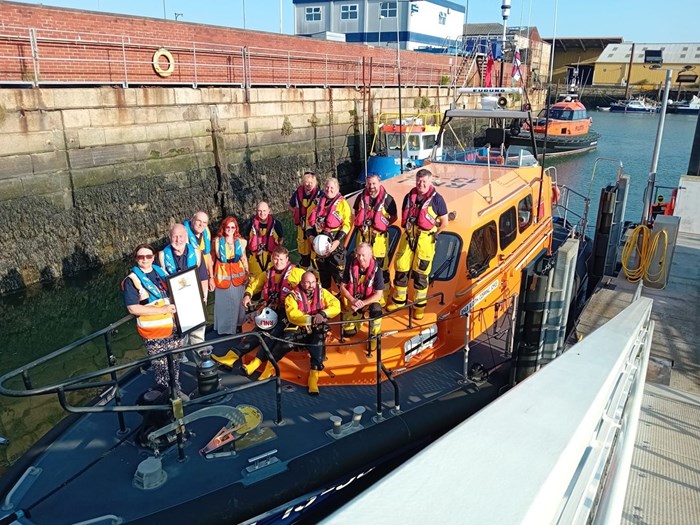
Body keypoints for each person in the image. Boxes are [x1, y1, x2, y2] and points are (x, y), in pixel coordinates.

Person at [213, 246, 305, 375]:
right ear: (272, 259)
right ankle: (231, 357)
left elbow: (310, 286)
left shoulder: (298, 273)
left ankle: (255, 363)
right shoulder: (268, 273)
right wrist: (247, 295)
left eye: (281, 259)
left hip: (289, 312)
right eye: (276, 259)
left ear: (287, 259)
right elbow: (254, 284)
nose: (278, 262)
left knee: (272, 333)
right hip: (272, 310)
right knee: (257, 332)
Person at [122, 243, 186, 398]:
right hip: (155, 333)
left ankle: (176, 390)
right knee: (161, 367)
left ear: (153, 257)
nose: (145, 259)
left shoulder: (160, 272)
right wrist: (161, 310)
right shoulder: (132, 280)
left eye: (148, 256)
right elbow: (133, 308)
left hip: (173, 328)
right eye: (141, 257)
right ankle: (166, 398)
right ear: (135, 259)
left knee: (175, 362)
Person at [388, 168, 449, 320]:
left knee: (421, 275)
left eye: (424, 181)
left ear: (430, 181)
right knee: (401, 268)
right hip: (408, 236)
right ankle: (399, 301)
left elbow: (444, 222)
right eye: (419, 181)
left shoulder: (437, 200)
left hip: (425, 240)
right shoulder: (409, 197)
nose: (421, 184)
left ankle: (419, 307)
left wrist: (433, 234)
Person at [280, 271, 340, 395]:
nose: (311, 285)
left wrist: (323, 314)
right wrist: (311, 319)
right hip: (300, 328)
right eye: (307, 282)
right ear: (301, 283)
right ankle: (269, 366)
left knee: (318, 340)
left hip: (315, 328)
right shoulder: (292, 296)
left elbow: (336, 305)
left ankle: (314, 376)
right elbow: (293, 316)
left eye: (313, 282)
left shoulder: (322, 292)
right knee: (284, 343)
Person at [159, 223, 210, 351]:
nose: (178, 240)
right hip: (175, 302)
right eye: (175, 236)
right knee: (178, 337)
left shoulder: (196, 253)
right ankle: (180, 359)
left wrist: (204, 298)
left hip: (194, 299)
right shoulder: (162, 256)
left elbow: (203, 276)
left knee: (198, 334)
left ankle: (200, 358)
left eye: (181, 236)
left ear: (186, 236)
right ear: (169, 237)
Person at [352, 173, 397, 302]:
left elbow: (393, 218)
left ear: (379, 183)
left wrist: (380, 226)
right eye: (369, 184)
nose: (371, 186)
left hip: (379, 241)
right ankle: (364, 294)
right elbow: (357, 213)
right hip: (363, 238)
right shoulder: (360, 198)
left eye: (374, 183)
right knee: (361, 267)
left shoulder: (388, 200)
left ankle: (382, 297)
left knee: (381, 270)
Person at [307, 177, 352, 290]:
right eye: (327, 187)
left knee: (340, 275)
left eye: (332, 187)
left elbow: (347, 224)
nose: (329, 189)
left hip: (335, 245)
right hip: (318, 245)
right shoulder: (316, 202)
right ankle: (326, 296)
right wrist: (311, 238)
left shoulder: (342, 204)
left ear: (337, 189)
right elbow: (308, 222)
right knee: (323, 274)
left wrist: (337, 242)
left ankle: (344, 300)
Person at [339, 243, 384, 350]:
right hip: (355, 301)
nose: (360, 258)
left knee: (376, 310)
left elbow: (378, 294)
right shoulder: (351, 266)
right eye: (358, 255)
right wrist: (353, 300)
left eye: (363, 255)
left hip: (369, 301)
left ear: (370, 255)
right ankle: (360, 318)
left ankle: (374, 337)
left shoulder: (377, 271)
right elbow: (343, 287)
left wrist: (363, 303)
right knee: (347, 332)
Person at [211, 216, 248, 335]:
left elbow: (244, 258)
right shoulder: (216, 242)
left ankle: (238, 326)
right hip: (222, 279)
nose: (230, 229)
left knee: (238, 303)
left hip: (238, 278)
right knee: (223, 305)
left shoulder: (241, 242)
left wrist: (247, 273)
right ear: (224, 227)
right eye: (228, 227)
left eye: (233, 227)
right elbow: (211, 259)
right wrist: (210, 277)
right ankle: (225, 330)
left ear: (236, 228)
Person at [242, 201, 284, 278]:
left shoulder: (276, 224)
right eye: (259, 211)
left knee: (271, 280)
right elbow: (246, 238)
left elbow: (281, 238)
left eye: (264, 211)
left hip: (271, 258)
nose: (262, 213)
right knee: (253, 282)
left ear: (269, 211)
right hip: (255, 258)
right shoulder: (250, 224)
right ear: (256, 211)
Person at [289, 171, 320, 268]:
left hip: (313, 227)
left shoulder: (320, 195)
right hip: (302, 227)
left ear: (315, 183)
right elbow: (290, 205)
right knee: (303, 250)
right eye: (306, 182)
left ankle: (315, 270)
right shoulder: (298, 193)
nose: (309, 185)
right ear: (303, 183)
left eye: (311, 182)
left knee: (315, 249)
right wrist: (296, 212)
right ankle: (304, 267)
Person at [183, 211, 214, 293]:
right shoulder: (183, 234)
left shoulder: (206, 233)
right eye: (199, 221)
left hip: (203, 274)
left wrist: (211, 277)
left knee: (205, 300)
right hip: (189, 275)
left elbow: (208, 255)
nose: (201, 224)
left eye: (204, 222)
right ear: (192, 220)